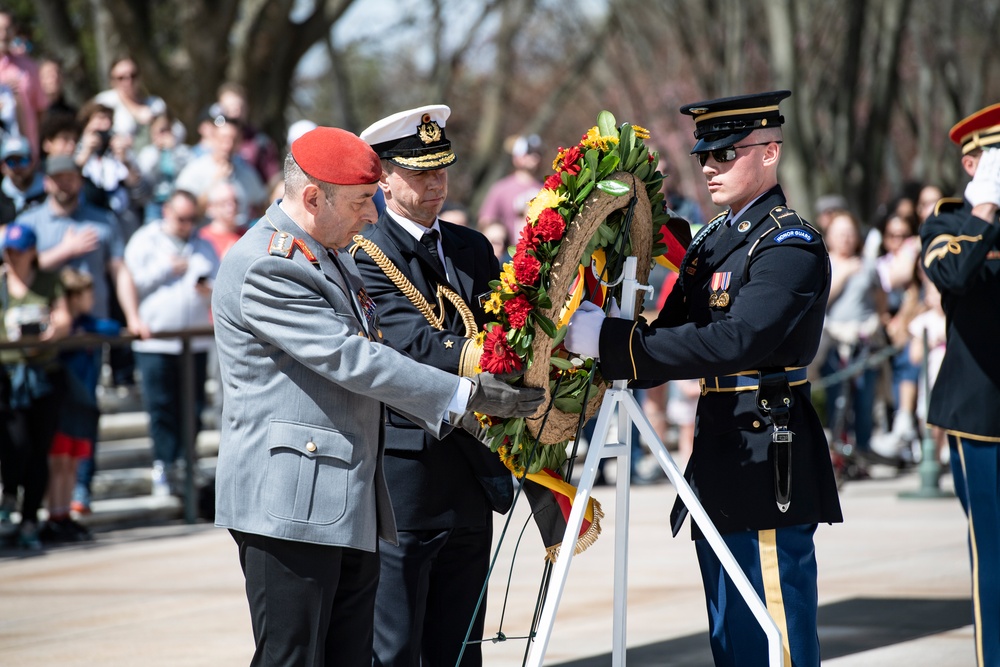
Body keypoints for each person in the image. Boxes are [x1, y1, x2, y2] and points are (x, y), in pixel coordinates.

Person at [211, 126, 544, 666]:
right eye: (363, 201)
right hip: (290, 504)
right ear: (314, 197)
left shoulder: (329, 252)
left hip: (348, 497)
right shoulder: (269, 264)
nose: (373, 216)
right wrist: (466, 394)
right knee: (292, 657)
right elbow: (353, 358)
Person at [564, 91, 842, 667]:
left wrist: (613, 345)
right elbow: (668, 332)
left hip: (770, 450)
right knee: (729, 630)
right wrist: (611, 318)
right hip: (718, 446)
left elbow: (737, 340)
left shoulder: (789, 245)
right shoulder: (713, 240)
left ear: (770, 153)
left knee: (773, 630)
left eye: (727, 154)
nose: (711, 167)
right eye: (705, 157)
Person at [353, 104, 515, 666]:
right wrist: (493, 361)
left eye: (441, 169)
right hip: (408, 474)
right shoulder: (367, 250)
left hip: (473, 465)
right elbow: (412, 343)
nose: (434, 183)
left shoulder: (471, 246)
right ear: (385, 176)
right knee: (396, 646)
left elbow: (509, 325)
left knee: (461, 645)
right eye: (419, 172)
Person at [919, 102, 1000, 667]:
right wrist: (987, 209)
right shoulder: (949, 222)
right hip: (984, 415)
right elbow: (951, 274)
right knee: (994, 553)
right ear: (973, 164)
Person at [124, 189, 218, 496]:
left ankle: (185, 463)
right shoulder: (145, 240)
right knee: (161, 407)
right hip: (156, 342)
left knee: (192, 407)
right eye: (181, 218)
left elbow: (220, 283)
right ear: (166, 211)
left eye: (192, 218)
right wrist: (166, 270)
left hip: (195, 341)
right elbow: (130, 284)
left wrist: (208, 288)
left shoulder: (202, 244)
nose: (186, 224)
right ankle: (163, 465)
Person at [0, 223, 72, 550]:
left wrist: (49, 332)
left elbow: (64, 319)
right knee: (15, 445)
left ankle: (30, 518)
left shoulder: (48, 281)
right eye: (9, 251)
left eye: (20, 251)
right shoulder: (1, 284)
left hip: (44, 374)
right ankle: (10, 496)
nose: (14, 257)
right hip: (9, 376)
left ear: (32, 252)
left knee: (40, 450)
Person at [57, 267, 121, 517]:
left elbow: (112, 328)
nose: (92, 300)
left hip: (86, 398)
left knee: (84, 449)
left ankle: (80, 494)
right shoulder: (61, 326)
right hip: (63, 400)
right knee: (61, 456)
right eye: (87, 295)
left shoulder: (89, 324)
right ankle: (58, 508)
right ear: (73, 297)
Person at [175, 115, 266, 226]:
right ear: (213, 138)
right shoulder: (195, 170)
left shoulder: (246, 171)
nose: (228, 145)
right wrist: (215, 182)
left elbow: (262, 204)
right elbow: (185, 212)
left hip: (239, 238)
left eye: (234, 140)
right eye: (223, 139)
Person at [93, 57, 167, 153]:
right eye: (121, 78)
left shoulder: (156, 104)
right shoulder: (104, 102)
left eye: (133, 75)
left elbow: (178, 131)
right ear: (112, 80)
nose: (128, 81)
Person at [477, 133, 543, 240]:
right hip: (508, 253)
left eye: (538, 153)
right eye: (529, 152)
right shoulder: (501, 188)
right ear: (516, 157)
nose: (535, 157)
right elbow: (485, 222)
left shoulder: (547, 188)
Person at [0, 10, 46, 155]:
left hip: (24, 153)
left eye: (7, 29)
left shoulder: (29, 66)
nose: (3, 34)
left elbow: (40, 111)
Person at [0, 134, 45, 224]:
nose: (18, 167)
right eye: (11, 162)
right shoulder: (2, 198)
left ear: (33, 162)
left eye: (23, 160)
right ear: (2, 167)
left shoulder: (48, 192)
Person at [197, 181, 245, 260]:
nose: (231, 207)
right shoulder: (202, 238)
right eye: (224, 203)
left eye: (235, 201)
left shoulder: (247, 234)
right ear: (210, 207)